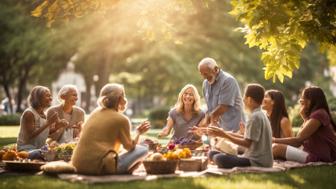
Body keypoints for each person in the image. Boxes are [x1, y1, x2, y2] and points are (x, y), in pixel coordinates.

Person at [71, 83, 150, 175]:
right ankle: (119, 172)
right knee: (143, 149)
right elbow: (129, 147)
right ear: (120, 99)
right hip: (100, 168)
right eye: (123, 95)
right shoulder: (121, 119)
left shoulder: (95, 113)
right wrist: (138, 132)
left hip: (78, 165)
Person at [200, 84, 273, 168]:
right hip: (261, 160)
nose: (243, 99)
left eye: (244, 97)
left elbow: (247, 144)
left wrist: (224, 134)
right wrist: (220, 132)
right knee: (212, 153)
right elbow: (247, 138)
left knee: (219, 158)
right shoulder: (260, 114)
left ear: (249, 99)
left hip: (257, 161)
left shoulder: (255, 117)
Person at [273, 86, 336, 163]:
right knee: (274, 148)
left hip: (319, 156)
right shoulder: (316, 114)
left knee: (276, 148)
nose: (301, 100)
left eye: (303, 98)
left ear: (310, 100)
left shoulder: (319, 114)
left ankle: (257, 160)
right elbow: (300, 139)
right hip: (310, 151)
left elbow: (298, 140)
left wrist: (274, 140)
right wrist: (305, 118)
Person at [198, 57, 245, 131]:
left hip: (235, 128)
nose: (204, 77)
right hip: (220, 128)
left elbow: (223, 107)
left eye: (206, 74)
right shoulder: (205, 84)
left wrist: (206, 122)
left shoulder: (228, 80)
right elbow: (210, 108)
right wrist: (203, 125)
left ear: (216, 69)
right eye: (201, 74)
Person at [16, 86, 63, 159]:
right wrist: (48, 122)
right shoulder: (29, 113)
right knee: (45, 154)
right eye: (47, 96)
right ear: (38, 98)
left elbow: (44, 132)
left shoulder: (43, 114)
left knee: (61, 151)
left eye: (50, 95)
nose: (51, 98)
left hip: (40, 149)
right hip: (26, 150)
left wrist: (57, 127)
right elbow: (30, 135)